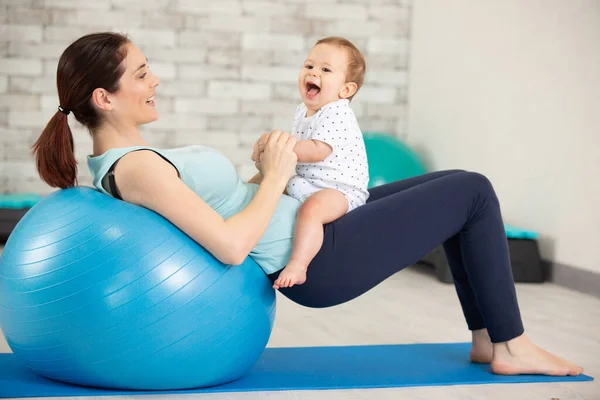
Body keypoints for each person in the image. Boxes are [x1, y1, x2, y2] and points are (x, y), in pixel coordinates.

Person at [32, 32, 583, 377]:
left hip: (313, 217)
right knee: (474, 191)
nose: (156, 80)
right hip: (320, 256)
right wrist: (276, 174)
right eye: (142, 73)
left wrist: (268, 173)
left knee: (460, 184)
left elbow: (223, 207)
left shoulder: (135, 159)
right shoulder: (136, 167)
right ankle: (510, 344)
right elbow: (228, 245)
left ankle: (489, 338)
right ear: (104, 98)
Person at [252, 37, 370, 290]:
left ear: (346, 90)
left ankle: (299, 264)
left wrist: (278, 144)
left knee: (311, 211)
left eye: (325, 70)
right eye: (309, 66)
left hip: (341, 190)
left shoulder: (337, 111)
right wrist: (269, 155)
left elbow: (316, 151)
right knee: (270, 184)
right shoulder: (304, 109)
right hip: (309, 182)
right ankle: (240, 207)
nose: (313, 72)